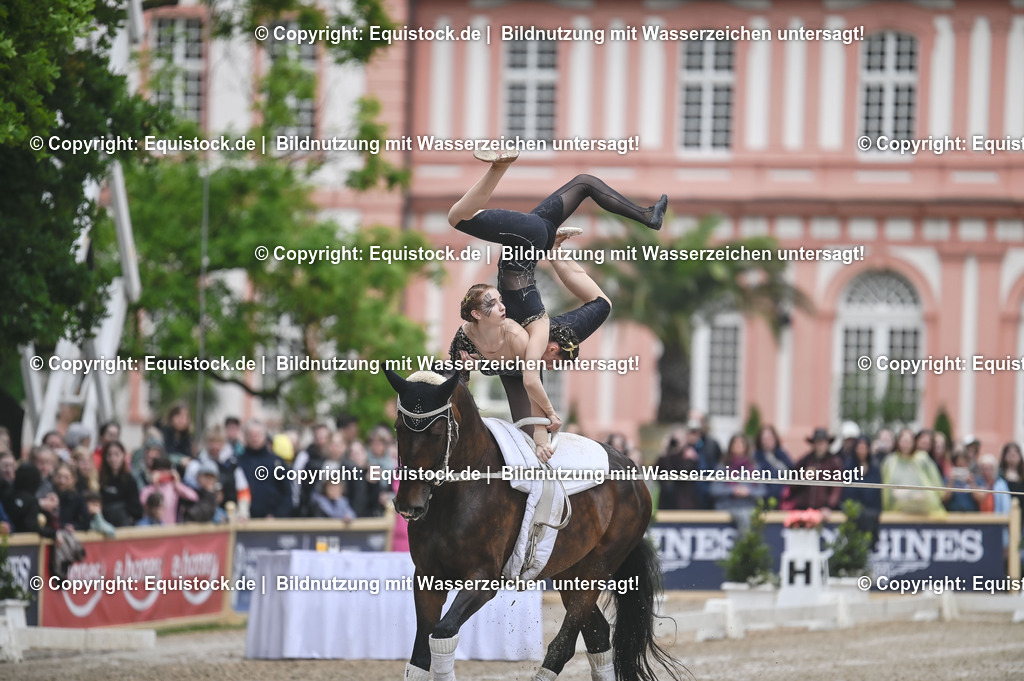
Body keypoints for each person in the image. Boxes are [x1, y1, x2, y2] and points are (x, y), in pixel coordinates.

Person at [448, 151, 666, 449]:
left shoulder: (531, 337)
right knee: (583, 183)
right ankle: (645, 216)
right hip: (530, 240)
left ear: (552, 346)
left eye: (554, 361)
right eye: (556, 362)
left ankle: (500, 167)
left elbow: (528, 384)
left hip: (529, 239)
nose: (549, 366)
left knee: (458, 217)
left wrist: (543, 430)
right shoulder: (530, 334)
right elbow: (531, 379)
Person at [451, 241, 615, 460]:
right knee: (529, 443)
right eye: (554, 362)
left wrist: (545, 426)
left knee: (604, 304)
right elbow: (458, 392)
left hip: (548, 332)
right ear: (476, 315)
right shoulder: (464, 341)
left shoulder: (529, 346)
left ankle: (555, 250)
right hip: (524, 348)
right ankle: (547, 244)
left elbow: (532, 382)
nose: (551, 368)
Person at [234, 420, 293, 519]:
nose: (254, 437)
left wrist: (277, 515)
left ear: (265, 436)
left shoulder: (277, 462)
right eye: (251, 434)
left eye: (257, 434)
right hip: (243, 522)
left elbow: (287, 494)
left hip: (271, 523)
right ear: (245, 437)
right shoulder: (237, 462)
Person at [881, 427, 945, 515]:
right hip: (897, 512)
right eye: (904, 441)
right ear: (898, 441)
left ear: (914, 442)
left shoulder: (923, 459)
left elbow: (936, 483)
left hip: (925, 511)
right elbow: (886, 487)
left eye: (908, 441)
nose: (906, 444)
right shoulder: (890, 462)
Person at [710, 434, 766, 534]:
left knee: (747, 515)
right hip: (728, 505)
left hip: (749, 505)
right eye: (735, 443)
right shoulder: (722, 466)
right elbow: (714, 489)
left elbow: (762, 490)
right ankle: (744, 545)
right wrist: (733, 490)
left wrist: (748, 491)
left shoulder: (754, 467)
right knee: (743, 516)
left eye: (741, 443)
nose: (738, 446)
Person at [784, 428, 844, 510]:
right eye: (817, 442)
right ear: (813, 444)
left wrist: (829, 506)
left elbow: (836, 487)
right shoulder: (805, 460)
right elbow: (792, 484)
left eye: (822, 442)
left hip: (823, 510)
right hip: (803, 508)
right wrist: (803, 478)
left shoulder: (834, 462)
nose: (820, 445)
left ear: (827, 444)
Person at [841, 436, 882, 545]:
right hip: (853, 513)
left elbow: (877, 493)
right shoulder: (848, 467)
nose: (861, 451)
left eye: (864, 447)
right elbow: (847, 492)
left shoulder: (875, 468)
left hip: (872, 514)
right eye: (859, 447)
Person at [140, 458, 199, 525]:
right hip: (153, 527)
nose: (163, 474)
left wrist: (177, 484)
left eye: (166, 471)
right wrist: (155, 486)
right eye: (160, 471)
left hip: (171, 528)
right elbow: (144, 503)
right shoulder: (147, 489)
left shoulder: (175, 487)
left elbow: (194, 497)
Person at [655, 429, 702, 510]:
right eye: (676, 439)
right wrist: (664, 452)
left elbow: (681, 473)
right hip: (666, 502)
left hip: (684, 503)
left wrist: (671, 455)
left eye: (681, 439)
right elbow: (655, 473)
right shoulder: (666, 457)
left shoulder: (689, 455)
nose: (679, 442)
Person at [99, 440, 143, 527]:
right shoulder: (100, 479)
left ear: (123, 455)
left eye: (116, 454)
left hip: (123, 524)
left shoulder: (130, 481)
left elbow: (137, 510)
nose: (113, 459)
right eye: (109, 455)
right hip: (104, 523)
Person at [753, 424, 793, 502]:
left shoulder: (782, 455)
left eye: (770, 438)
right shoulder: (755, 457)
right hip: (763, 498)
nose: (767, 441)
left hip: (782, 498)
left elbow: (792, 472)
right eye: (764, 439)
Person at [53, 462, 89, 531]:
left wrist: (74, 527)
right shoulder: (48, 495)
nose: (62, 481)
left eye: (66, 478)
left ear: (73, 480)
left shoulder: (78, 498)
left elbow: (86, 523)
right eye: (59, 476)